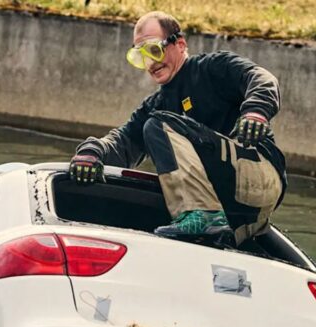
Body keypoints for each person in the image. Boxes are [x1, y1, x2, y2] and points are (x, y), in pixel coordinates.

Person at [69, 11, 287, 247]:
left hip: (260, 175)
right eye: (140, 58)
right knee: (154, 125)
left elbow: (262, 78)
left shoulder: (212, 68)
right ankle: (208, 224)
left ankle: (202, 215)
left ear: (180, 44)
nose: (150, 64)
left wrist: (256, 111)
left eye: (154, 50)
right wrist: (91, 152)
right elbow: (121, 143)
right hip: (234, 210)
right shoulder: (156, 104)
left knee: (157, 124)